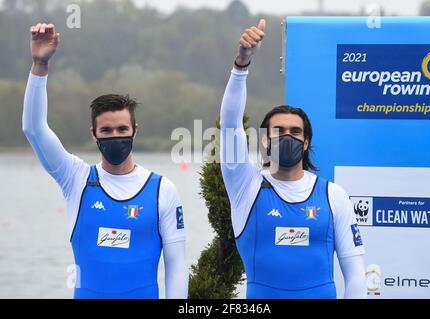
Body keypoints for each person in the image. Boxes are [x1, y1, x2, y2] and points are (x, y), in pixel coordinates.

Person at [22, 23, 188, 299]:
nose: (115, 136)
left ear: (135, 130)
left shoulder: (162, 191)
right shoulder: (75, 179)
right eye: (107, 131)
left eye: (122, 130)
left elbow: (177, 267)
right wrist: (40, 65)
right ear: (94, 135)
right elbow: (34, 129)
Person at [220, 19, 366, 299]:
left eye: (295, 131)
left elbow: (355, 272)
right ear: (265, 140)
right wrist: (241, 65)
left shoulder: (333, 195)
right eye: (278, 131)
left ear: (306, 141)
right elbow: (229, 124)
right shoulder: (245, 186)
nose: (287, 136)